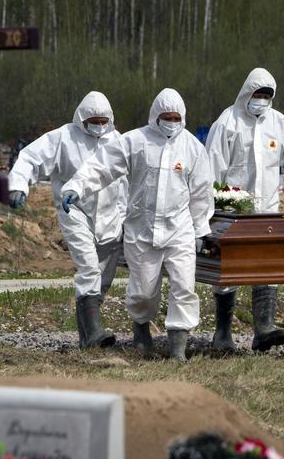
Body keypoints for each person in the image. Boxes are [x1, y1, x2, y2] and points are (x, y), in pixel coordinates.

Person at [61, 88, 214, 361]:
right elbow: (101, 167)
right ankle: (141, 329)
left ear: (183, 118)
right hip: (141, 231)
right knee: (143, 291)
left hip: (179, 230)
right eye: (166, 116)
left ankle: (178, 348)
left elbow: (201, 192)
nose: (171, 121)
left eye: (176, 117)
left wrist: (201, 229)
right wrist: (76, 187)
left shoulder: (193, 148)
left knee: (184, 286)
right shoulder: (135, 141)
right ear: (156, 116)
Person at [8, 91, 126, 349]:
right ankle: (94, 333)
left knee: (102, 280)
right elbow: (31, 158)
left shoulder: (117, 141)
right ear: (82, 118)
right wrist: (19, 185)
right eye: (93, 120)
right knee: (88, 268)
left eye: (103, 120)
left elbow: (126, 182)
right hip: (75, 212)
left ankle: (87, 338)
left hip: (110, 218)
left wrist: (125, 216)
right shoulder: (63, 138)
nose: (98, 125)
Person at [205, 67, 284, 352]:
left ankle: (264, 328)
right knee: (229, 272)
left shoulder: (279, 123)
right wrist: (214, 210)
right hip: (232, 212)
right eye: (257, 94)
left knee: (267, 266)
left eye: (266, 95)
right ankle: (222, 335)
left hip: (267, 212)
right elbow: (212, 170)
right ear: (246, 92)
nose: (261, 99)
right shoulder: (227, 122)